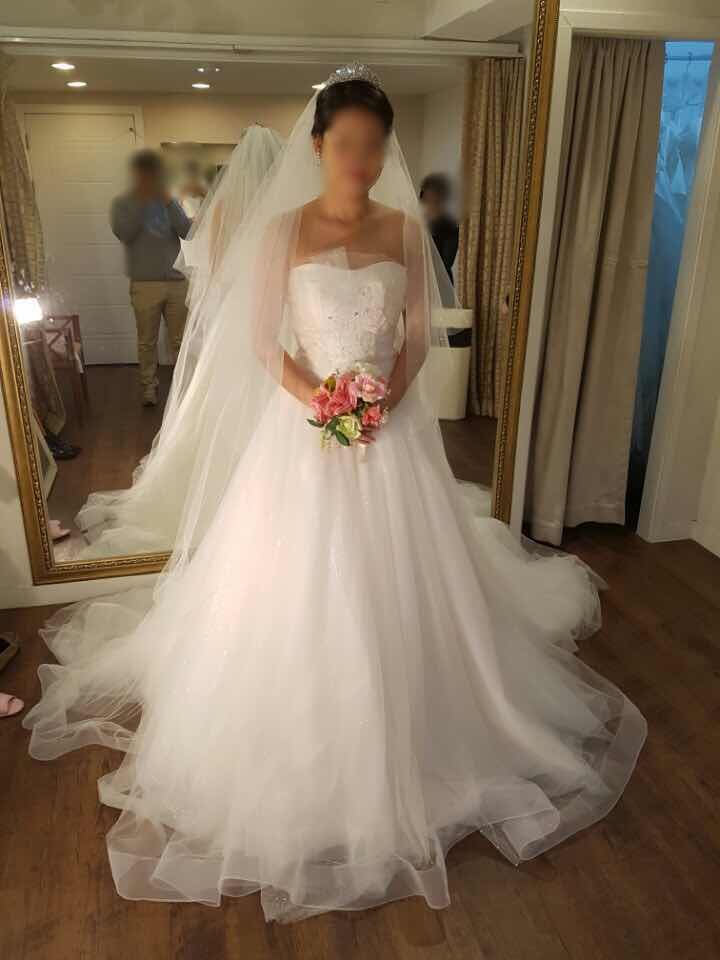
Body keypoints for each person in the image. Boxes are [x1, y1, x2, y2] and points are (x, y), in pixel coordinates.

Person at [23, 64, 647, 924]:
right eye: (345, 142)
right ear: (318, 145)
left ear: (384, 150)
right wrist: (322, 403)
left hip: (391, 432)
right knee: (302, 580)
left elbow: (417, 334)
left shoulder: (403, 230)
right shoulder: (283, 230)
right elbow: (261, 340)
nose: (359, 158)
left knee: (406, 577)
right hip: (304, 432)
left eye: (373, 145)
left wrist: (385, 396)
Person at [74, 126, 285, 558]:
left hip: (238, 308)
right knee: (150, 343)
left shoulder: (224, 207)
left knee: (223, 390)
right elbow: (130, 233)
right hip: (184, 292)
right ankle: (149, 390)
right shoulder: (128, 204)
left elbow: (201, 249)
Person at [111, 149, 192, 407]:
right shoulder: (122, 203)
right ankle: (149, 386)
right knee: (147, 340)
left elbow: (187, 231)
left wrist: (169, 202)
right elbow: (124, 233)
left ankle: (184, 389)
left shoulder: (170, 200)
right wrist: (143, 202)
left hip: (177, 281)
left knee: (181, 340)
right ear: (136, 174)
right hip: (145, 283)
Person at [419, 172, 459, 280]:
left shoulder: (451, 226)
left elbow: (446, 264)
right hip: (419, 279)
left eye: (435, 200)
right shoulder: (417, 221)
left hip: (440, 282)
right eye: (427, 199)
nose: (430, 204)